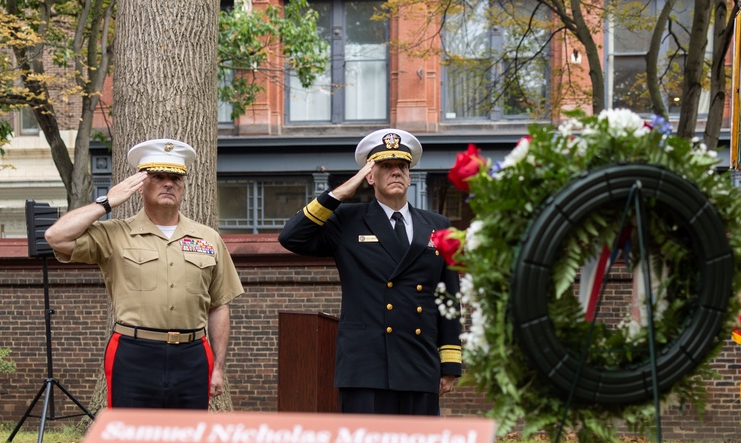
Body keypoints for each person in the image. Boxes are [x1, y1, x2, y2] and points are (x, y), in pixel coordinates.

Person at [44, 139, 244, 410]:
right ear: (140, 186)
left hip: (192, 355)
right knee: (131, 441)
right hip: (134, 353)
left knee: (187, 440)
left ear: (183, 186)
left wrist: (218, 368)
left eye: (175, 178)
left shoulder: (208, 239)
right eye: (158, 176)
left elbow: (220, 305)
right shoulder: (114, 233)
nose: (168, 183)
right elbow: (55, 236)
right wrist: (106, 202)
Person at [278, 129, 462, 415]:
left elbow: (449, 299)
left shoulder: (438, 226)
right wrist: (340, 192)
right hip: (366, 367)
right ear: (370, 176)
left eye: (402, 166)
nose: (396, 172)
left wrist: (449, 363)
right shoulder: (348, 220)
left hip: (419, 362)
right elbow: (292, 237)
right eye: (385, 166)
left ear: (410, 175)